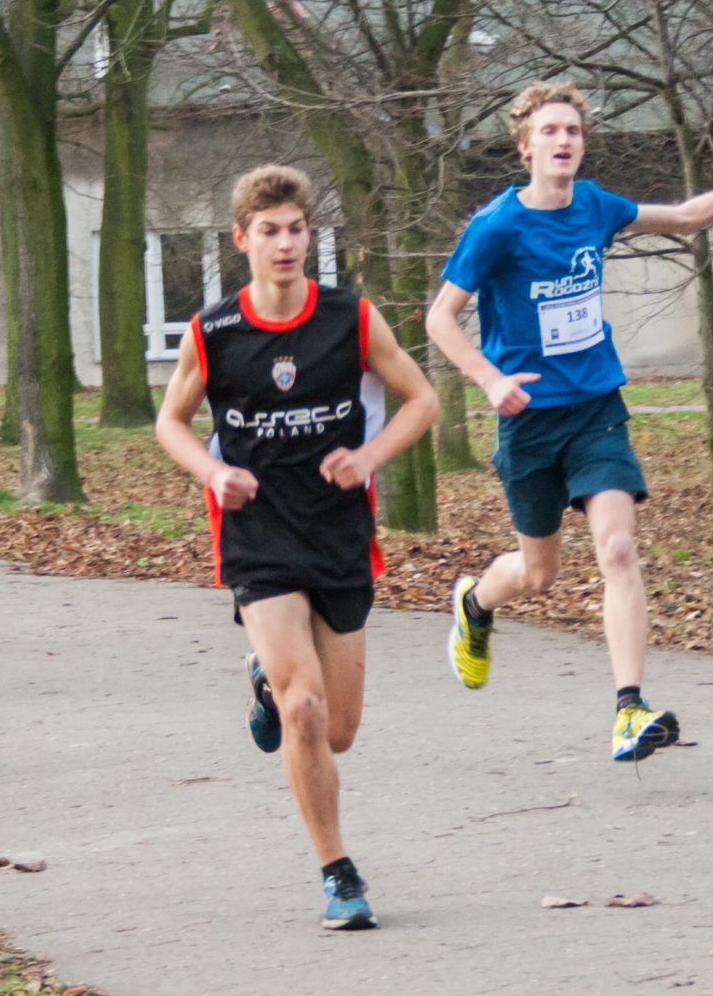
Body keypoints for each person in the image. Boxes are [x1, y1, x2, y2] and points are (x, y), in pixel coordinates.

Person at [425, 81, 713, 763]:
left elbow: (684, 216)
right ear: (525, 145)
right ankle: (477, 604)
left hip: (596, 408)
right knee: (540, 575)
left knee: (619, 550)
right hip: (530, 420)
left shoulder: (595, 205)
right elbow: (439, 317)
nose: (564, 140)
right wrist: (489, 378)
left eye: (573, 130)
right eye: (550, 131)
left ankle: (629, 709)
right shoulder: (497, 225)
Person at [155, 165, 438, 931]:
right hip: (260, 538)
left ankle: (262, 676)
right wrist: (215, 471)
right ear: (241, 240)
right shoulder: (214, 333)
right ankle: (337, 871)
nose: (285, 244)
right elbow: (169, 422)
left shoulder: (352, 318)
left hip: (339, 533)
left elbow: (424, 400)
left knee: (338, 730)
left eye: (296, 229)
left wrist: (369, 459)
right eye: (269, 231)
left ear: (311, 236)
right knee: (305, 709)